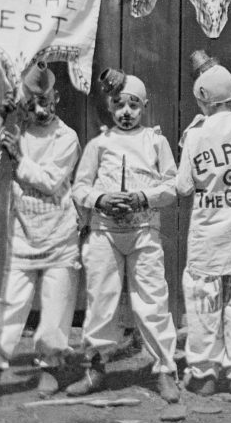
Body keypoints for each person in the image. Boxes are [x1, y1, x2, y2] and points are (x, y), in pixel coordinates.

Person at [68, 70, 181, 403]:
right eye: (119, 105)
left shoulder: (155, 142)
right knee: (101, 299)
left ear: (144, 106)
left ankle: (164, 369)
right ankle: (95, 366)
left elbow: (171, 185)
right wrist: (100, 199)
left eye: (134, 105)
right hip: (105, 233)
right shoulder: (99, 144)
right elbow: (80, 187)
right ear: (110, 107)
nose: (126, 112)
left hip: (144, 231)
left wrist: (142, 198)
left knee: (152, 301)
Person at [0, 62, 80, 399]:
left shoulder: (67, 137)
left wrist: (18, 158)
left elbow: (50, 182)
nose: (38, 109)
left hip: (59, 234)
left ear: (57, 98)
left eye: (45, 101)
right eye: (31, 103)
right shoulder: (16, 128)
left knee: (55, 309)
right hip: (21, 235)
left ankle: (50, 367)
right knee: (9, 304)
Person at [175, 57, 231, 396]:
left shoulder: (196, 134)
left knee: (203, 304)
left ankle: (205, 373)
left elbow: (183, 186)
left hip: (207, 232)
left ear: (201, 98)